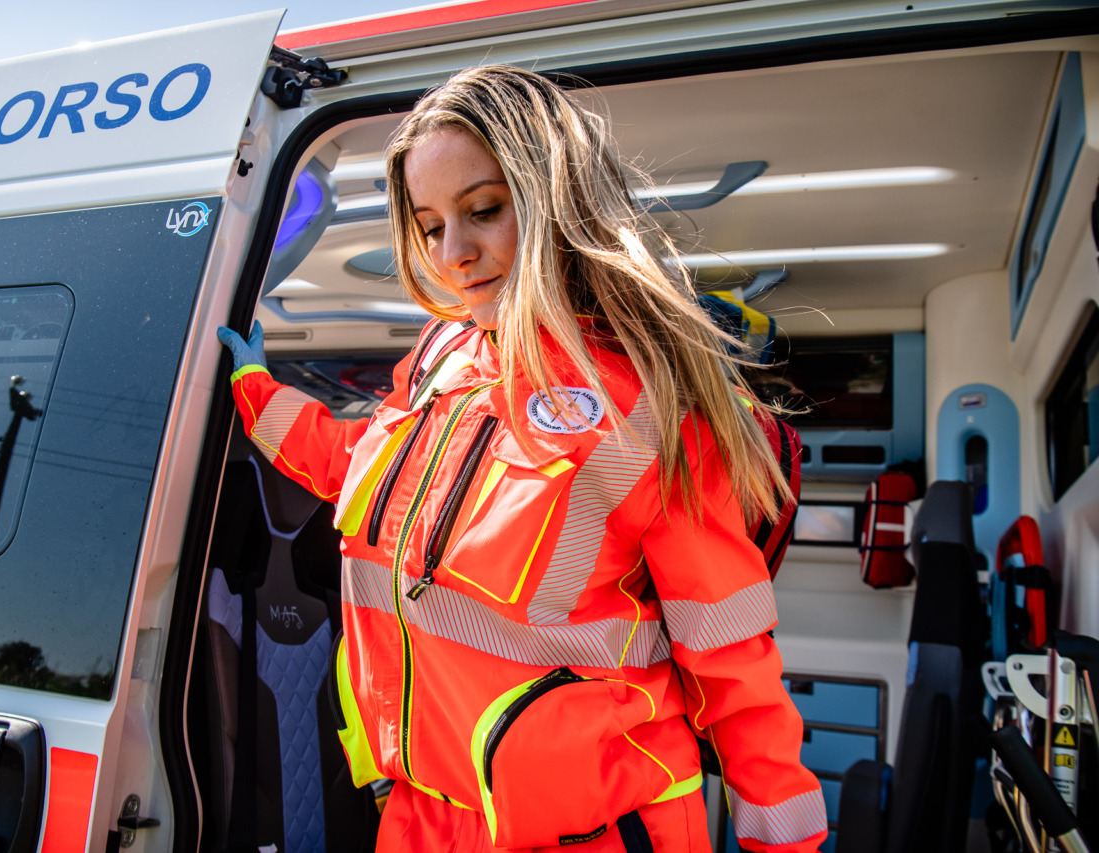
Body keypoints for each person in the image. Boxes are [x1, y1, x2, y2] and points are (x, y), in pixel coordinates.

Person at [219, 64, 826, 852]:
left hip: (592, 832)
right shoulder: (442, 354)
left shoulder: (649, 402)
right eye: (431, 225)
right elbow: (361, 468)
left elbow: (731, 656)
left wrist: (785, 839)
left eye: (484, 210)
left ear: (555, 200)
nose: (455, 254)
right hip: (417, 815)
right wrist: (256, 389)